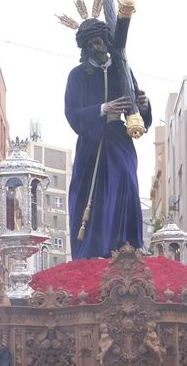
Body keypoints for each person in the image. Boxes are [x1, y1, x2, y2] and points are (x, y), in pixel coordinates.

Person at [63, 13, 151, 260]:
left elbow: (137, 110)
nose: (96, 47)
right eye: (90, 44)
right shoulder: (77, 76)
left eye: (99, 42)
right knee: (92, 196)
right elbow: (72, 113)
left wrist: (143, 105)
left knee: (125, 181)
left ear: (105, 41)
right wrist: (103, 109)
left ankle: (126, 245)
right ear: (84, 48)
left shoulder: (121, 69)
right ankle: (94, 252)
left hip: (118, 141)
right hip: (91, 146)